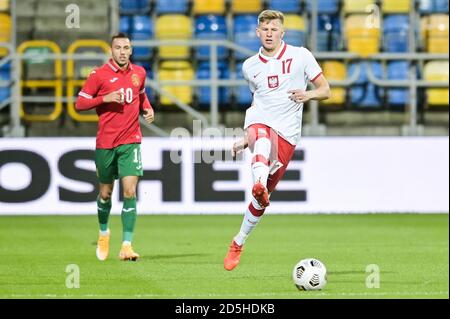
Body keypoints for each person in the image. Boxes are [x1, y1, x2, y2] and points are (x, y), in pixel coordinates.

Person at [224, 10, 330, 271]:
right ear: (257, 33)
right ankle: (258, 183)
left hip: (287, 134)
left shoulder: (301, 56)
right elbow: (258, 102)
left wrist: (308, 95)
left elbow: (326, 90)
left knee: (261, 201)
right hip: (259, 124)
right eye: (265, 29)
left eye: (274, 29)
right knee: (261, 137)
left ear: (283, 33)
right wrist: (247, 137)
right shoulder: (249, 66)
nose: (269, 34)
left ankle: (238, 241)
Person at [75, 33, 155, 261]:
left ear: (131, 50)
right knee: (105, 193)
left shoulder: (139, 72)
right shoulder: (98, 75)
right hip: (106, 143)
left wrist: (147, 109)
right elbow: (80, 103)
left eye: (126, 47)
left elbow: (140, 95)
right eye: (118, 47)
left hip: (131, 141)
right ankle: (103, 232)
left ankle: (127, 245)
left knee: (130, 191)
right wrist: (105, 98)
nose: (122, 51)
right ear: (111, 50)